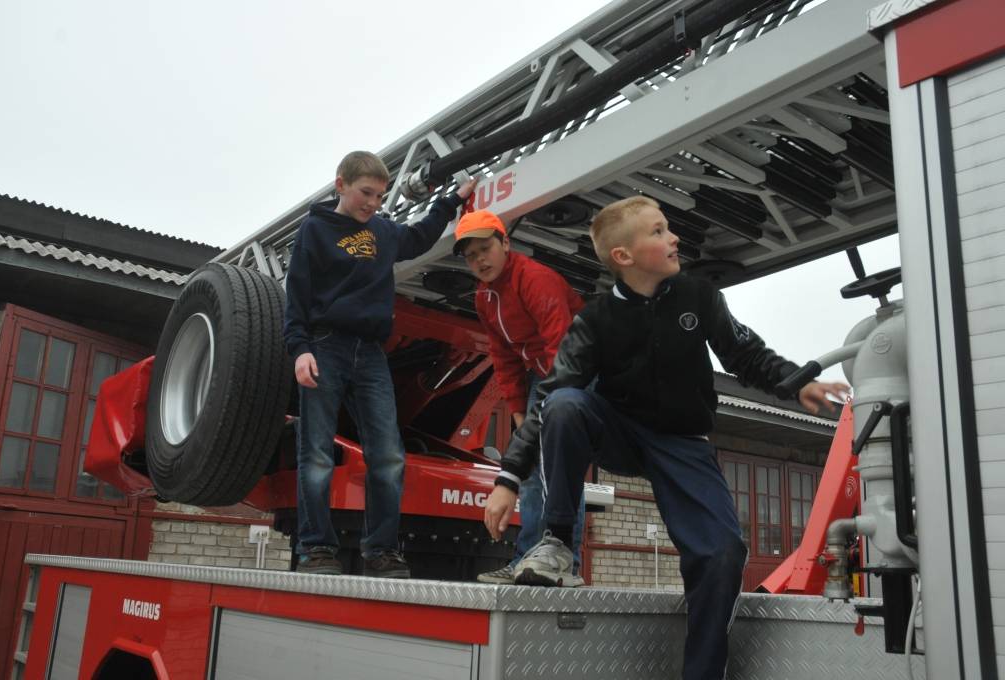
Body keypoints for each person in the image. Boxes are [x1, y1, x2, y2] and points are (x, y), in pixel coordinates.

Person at [483, 196, 849, 679]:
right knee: (565, 403)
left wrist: (798, 380)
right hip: (621, 433)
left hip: (683, 441)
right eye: (658, 231)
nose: (673, 238)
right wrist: (509, 477)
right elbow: (549, 394)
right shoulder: (594, 322)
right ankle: (555, 542)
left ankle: (700, 673)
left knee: (722, 552)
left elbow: (746, 355)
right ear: (624, 257)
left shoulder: (698, 296)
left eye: (668, 228)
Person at [284, 150, 476, 578]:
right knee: (316, 453)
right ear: (341, 185)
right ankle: (315, 548)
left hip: (371, 354)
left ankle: (381, 550)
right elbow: (296, 297)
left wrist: (453, 200)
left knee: (388, 455)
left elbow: (420, 235)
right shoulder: (314, 231)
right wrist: (300, 350)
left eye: (380, 195)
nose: (373, 202)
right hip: (324, 346)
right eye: (365, 193)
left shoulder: (383, 233)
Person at [452, 210, 586, 585]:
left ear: (505, 244)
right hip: (539, 375)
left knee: (557, 465)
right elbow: (504, 355)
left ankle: (566, 564)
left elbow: (563, 348)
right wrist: (516, 411)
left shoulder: (534, 279)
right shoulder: (484, 297)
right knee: (527, 470)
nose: (480, 259)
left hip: (578, 370)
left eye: (485, 248)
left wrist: (538, 413)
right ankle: (526, 560)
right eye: (471, 255)